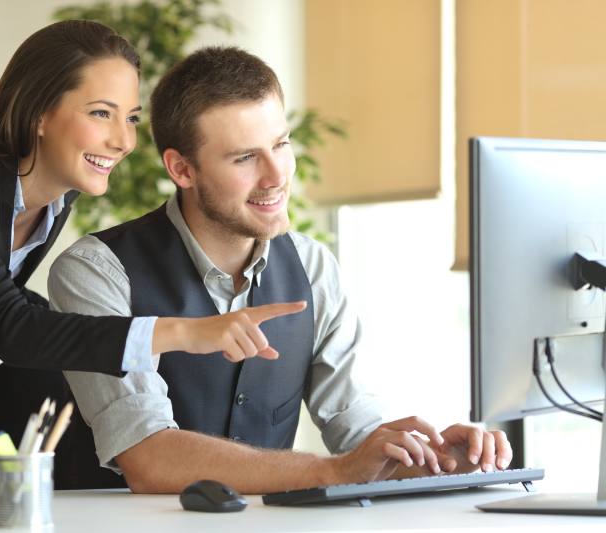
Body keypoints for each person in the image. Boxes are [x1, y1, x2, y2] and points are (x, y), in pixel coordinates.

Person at [0, 22, 303, 469]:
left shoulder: (52, 201)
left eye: (129, 118)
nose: (122, 140)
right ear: (40, 114)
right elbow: (5, 324)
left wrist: (99, 322)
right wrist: (183, 333)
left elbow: (4, 301)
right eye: (101, 113)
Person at [49, 46, 514, 494]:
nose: (277, 176)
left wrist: (439, 462)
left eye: (280, 144)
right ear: (182, 169)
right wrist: (332, 472)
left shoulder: (312, 267)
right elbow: (148, 458)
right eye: (245, 157)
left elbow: (357, 427)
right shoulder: (97, 273)